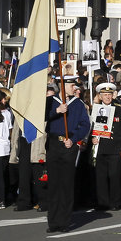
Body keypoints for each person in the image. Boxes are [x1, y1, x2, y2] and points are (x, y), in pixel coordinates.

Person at [45, 75, 90, 233]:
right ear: (62, 85)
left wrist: (74, 139)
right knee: (54, 185)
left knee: (66, 184)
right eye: (72, 85)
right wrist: (57, 111)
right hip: (53, 144)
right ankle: (53, 222)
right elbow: (41, 118)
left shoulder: (78, 104)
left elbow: (85, 125)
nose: (75, 88)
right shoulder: (50, 101)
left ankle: (64, 222)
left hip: (68, 145)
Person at [88, 82, 121, 211]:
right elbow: (91, 127)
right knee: (101, 177)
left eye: (109, 94)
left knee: (115, 176)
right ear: (100, 96)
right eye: (105, 95)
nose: (107, 97)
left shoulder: (119, 109)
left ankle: (116, 202)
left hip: (115, 147)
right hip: (100, 146)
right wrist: (92, 138)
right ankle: (103, 202)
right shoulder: (95, 109)